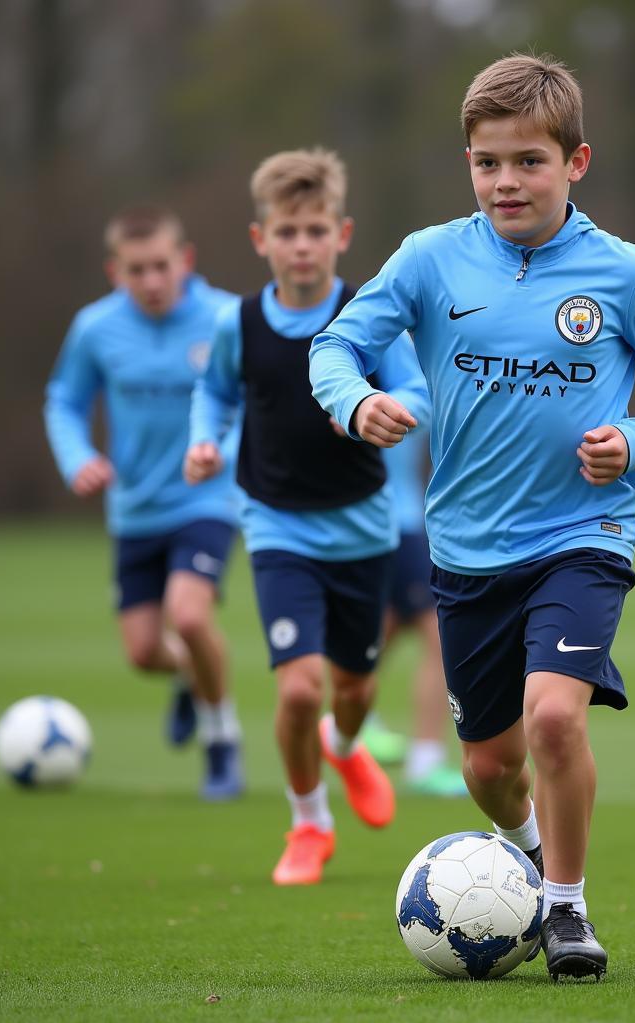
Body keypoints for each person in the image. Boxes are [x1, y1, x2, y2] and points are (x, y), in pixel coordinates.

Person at [310, 54, 635, 980]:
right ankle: (532, 859)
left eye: (529, 161)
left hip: (585, 535)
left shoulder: (625, 273)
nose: (507, 181)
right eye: (488, 163)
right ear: (468, 162)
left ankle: (568, 911)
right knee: (489, 767)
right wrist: (354, 402)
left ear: (576, 163)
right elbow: (338, 344)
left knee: (553, 721)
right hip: (465, 548)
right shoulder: (429, 259)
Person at [185, 148, 430, 887]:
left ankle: (347, 746)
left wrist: (391, 410)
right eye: (287, 232)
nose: (301, 246)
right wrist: (205, 441)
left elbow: (417, 391)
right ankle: (308, 822)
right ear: (262, 240)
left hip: (362, 527)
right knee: (297, 686)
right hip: (276, 525)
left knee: (353, 690)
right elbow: (217, 395)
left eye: (315, 230)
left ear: (342, 234)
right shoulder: (242, 324)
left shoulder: (370, 320)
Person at [44, 206, 243, 800]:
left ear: (185, 260)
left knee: (189, 614)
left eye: (161, 266)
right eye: (138, 270)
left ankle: (221, 741)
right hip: (133, 509)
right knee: (143, 651)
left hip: (207, 499)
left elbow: (256, 403)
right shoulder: (94, 329)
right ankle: (190, 674)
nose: (152, 281)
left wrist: (222, 451)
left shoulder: (226, 319)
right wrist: (78, 457)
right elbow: (64, 401)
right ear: (116, 272)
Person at [360, 425, 469, 797]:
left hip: (395, 516)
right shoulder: (389, 371)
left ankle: (352, 719)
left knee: (394, 621)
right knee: (439, 636)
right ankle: (424, 760)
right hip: (394, 519)